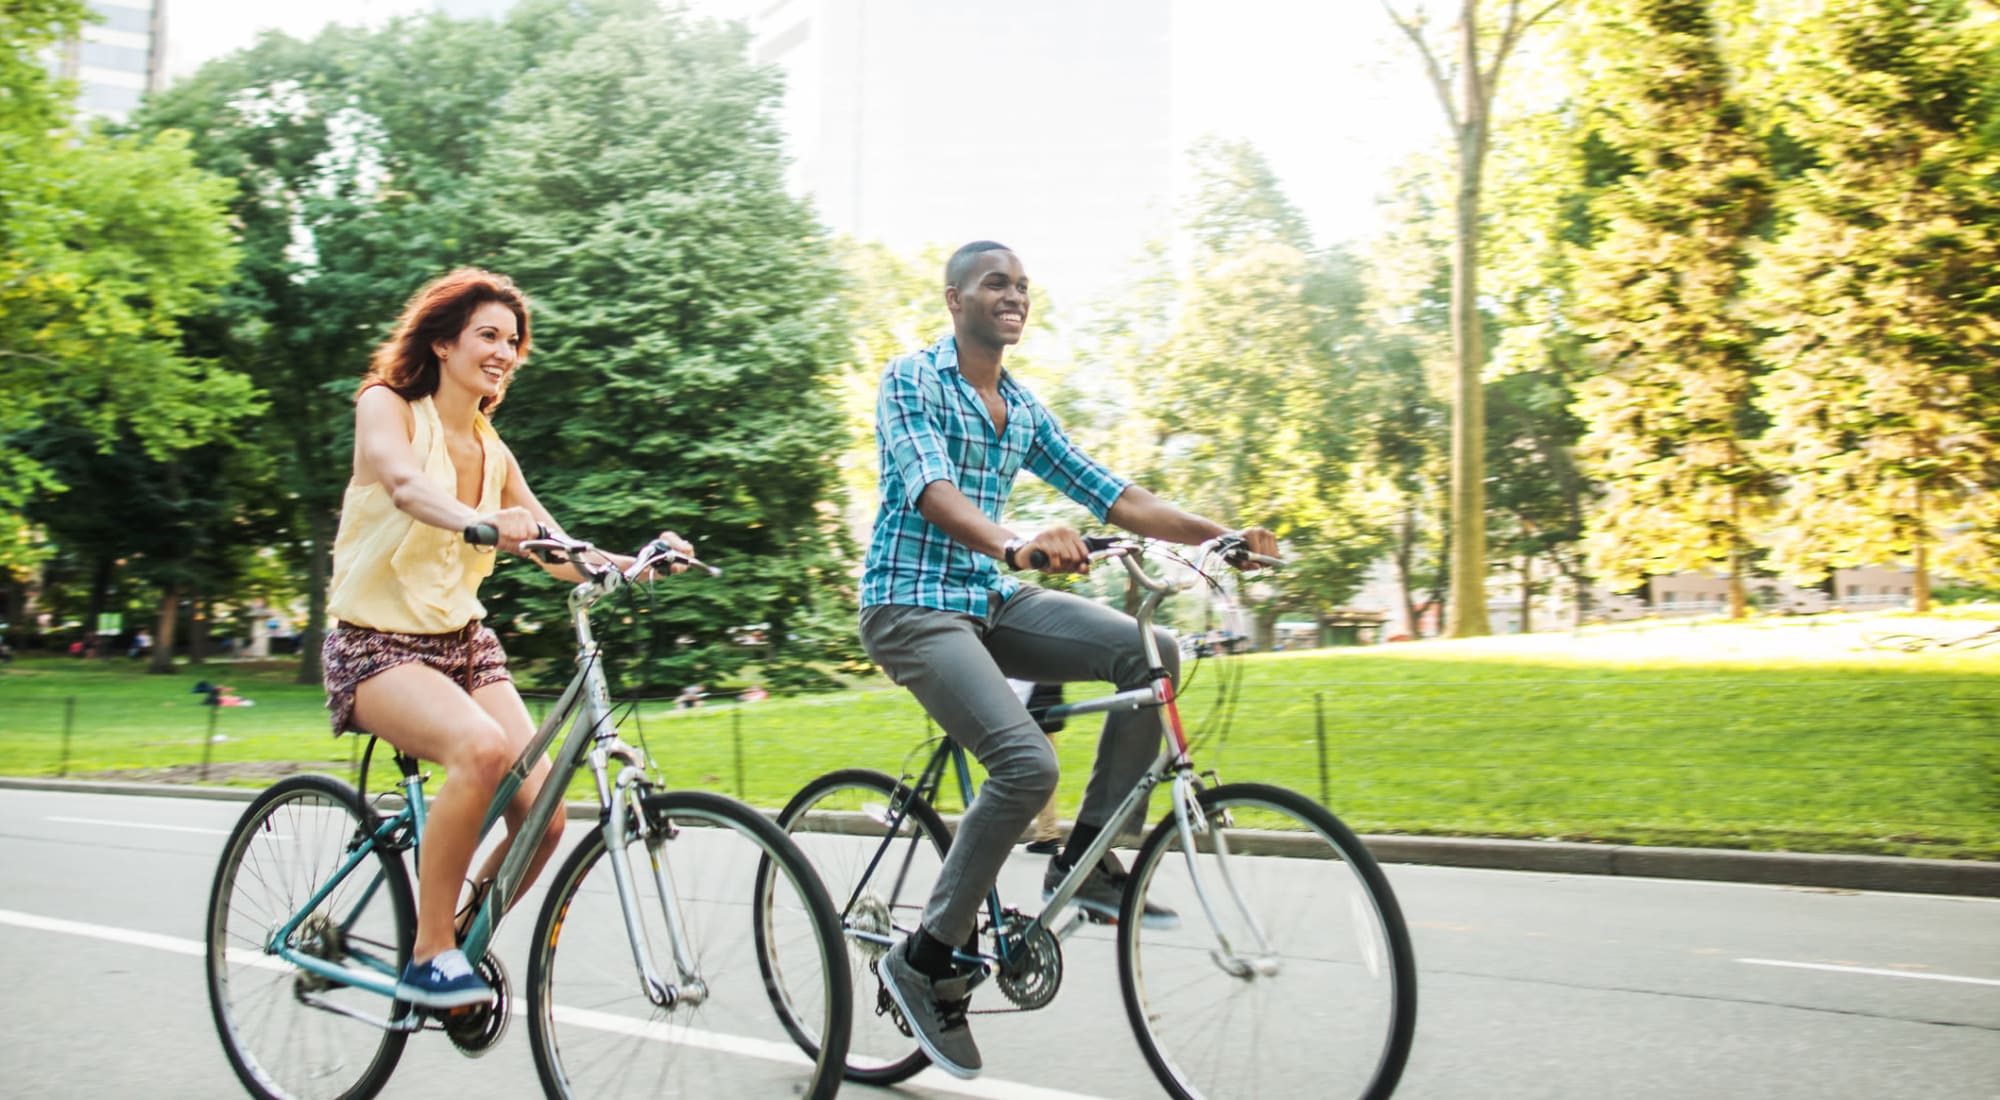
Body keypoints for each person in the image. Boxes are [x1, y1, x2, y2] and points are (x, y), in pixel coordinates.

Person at [859, 240, 1277, 1079]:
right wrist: (1016, 543)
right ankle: (926, 959)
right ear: (955, 299)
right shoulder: (914, 380)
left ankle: (1091, 859)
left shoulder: (1021, 405)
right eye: (995, 284)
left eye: (1021, 286)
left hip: (991, 599)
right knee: (1024, 763)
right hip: (911, 604)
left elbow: (1116, 495)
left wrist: (1220, 535)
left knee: (1150, 653)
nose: (1012, 296)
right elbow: (932, 489)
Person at [320, 268, 692, 1011]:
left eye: (513, 341)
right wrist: (477, 521)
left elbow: (557, 548)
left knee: (544, 815)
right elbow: (401, 484)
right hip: (374, 645)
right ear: (444, 341)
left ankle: (455, 937)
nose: (503, 351)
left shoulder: (492, 448)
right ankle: (427, 957)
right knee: (483, 753)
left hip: (462, 645)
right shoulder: (386, 406)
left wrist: (636, 563)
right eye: (488, 335)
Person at [1010, 679, 1065, 856]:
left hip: (1028, 713)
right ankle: (1047, 833)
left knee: (1015, 773)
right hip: (1046, 709)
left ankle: (1045, 834)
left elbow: (1017, 686)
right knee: (1043, 773)